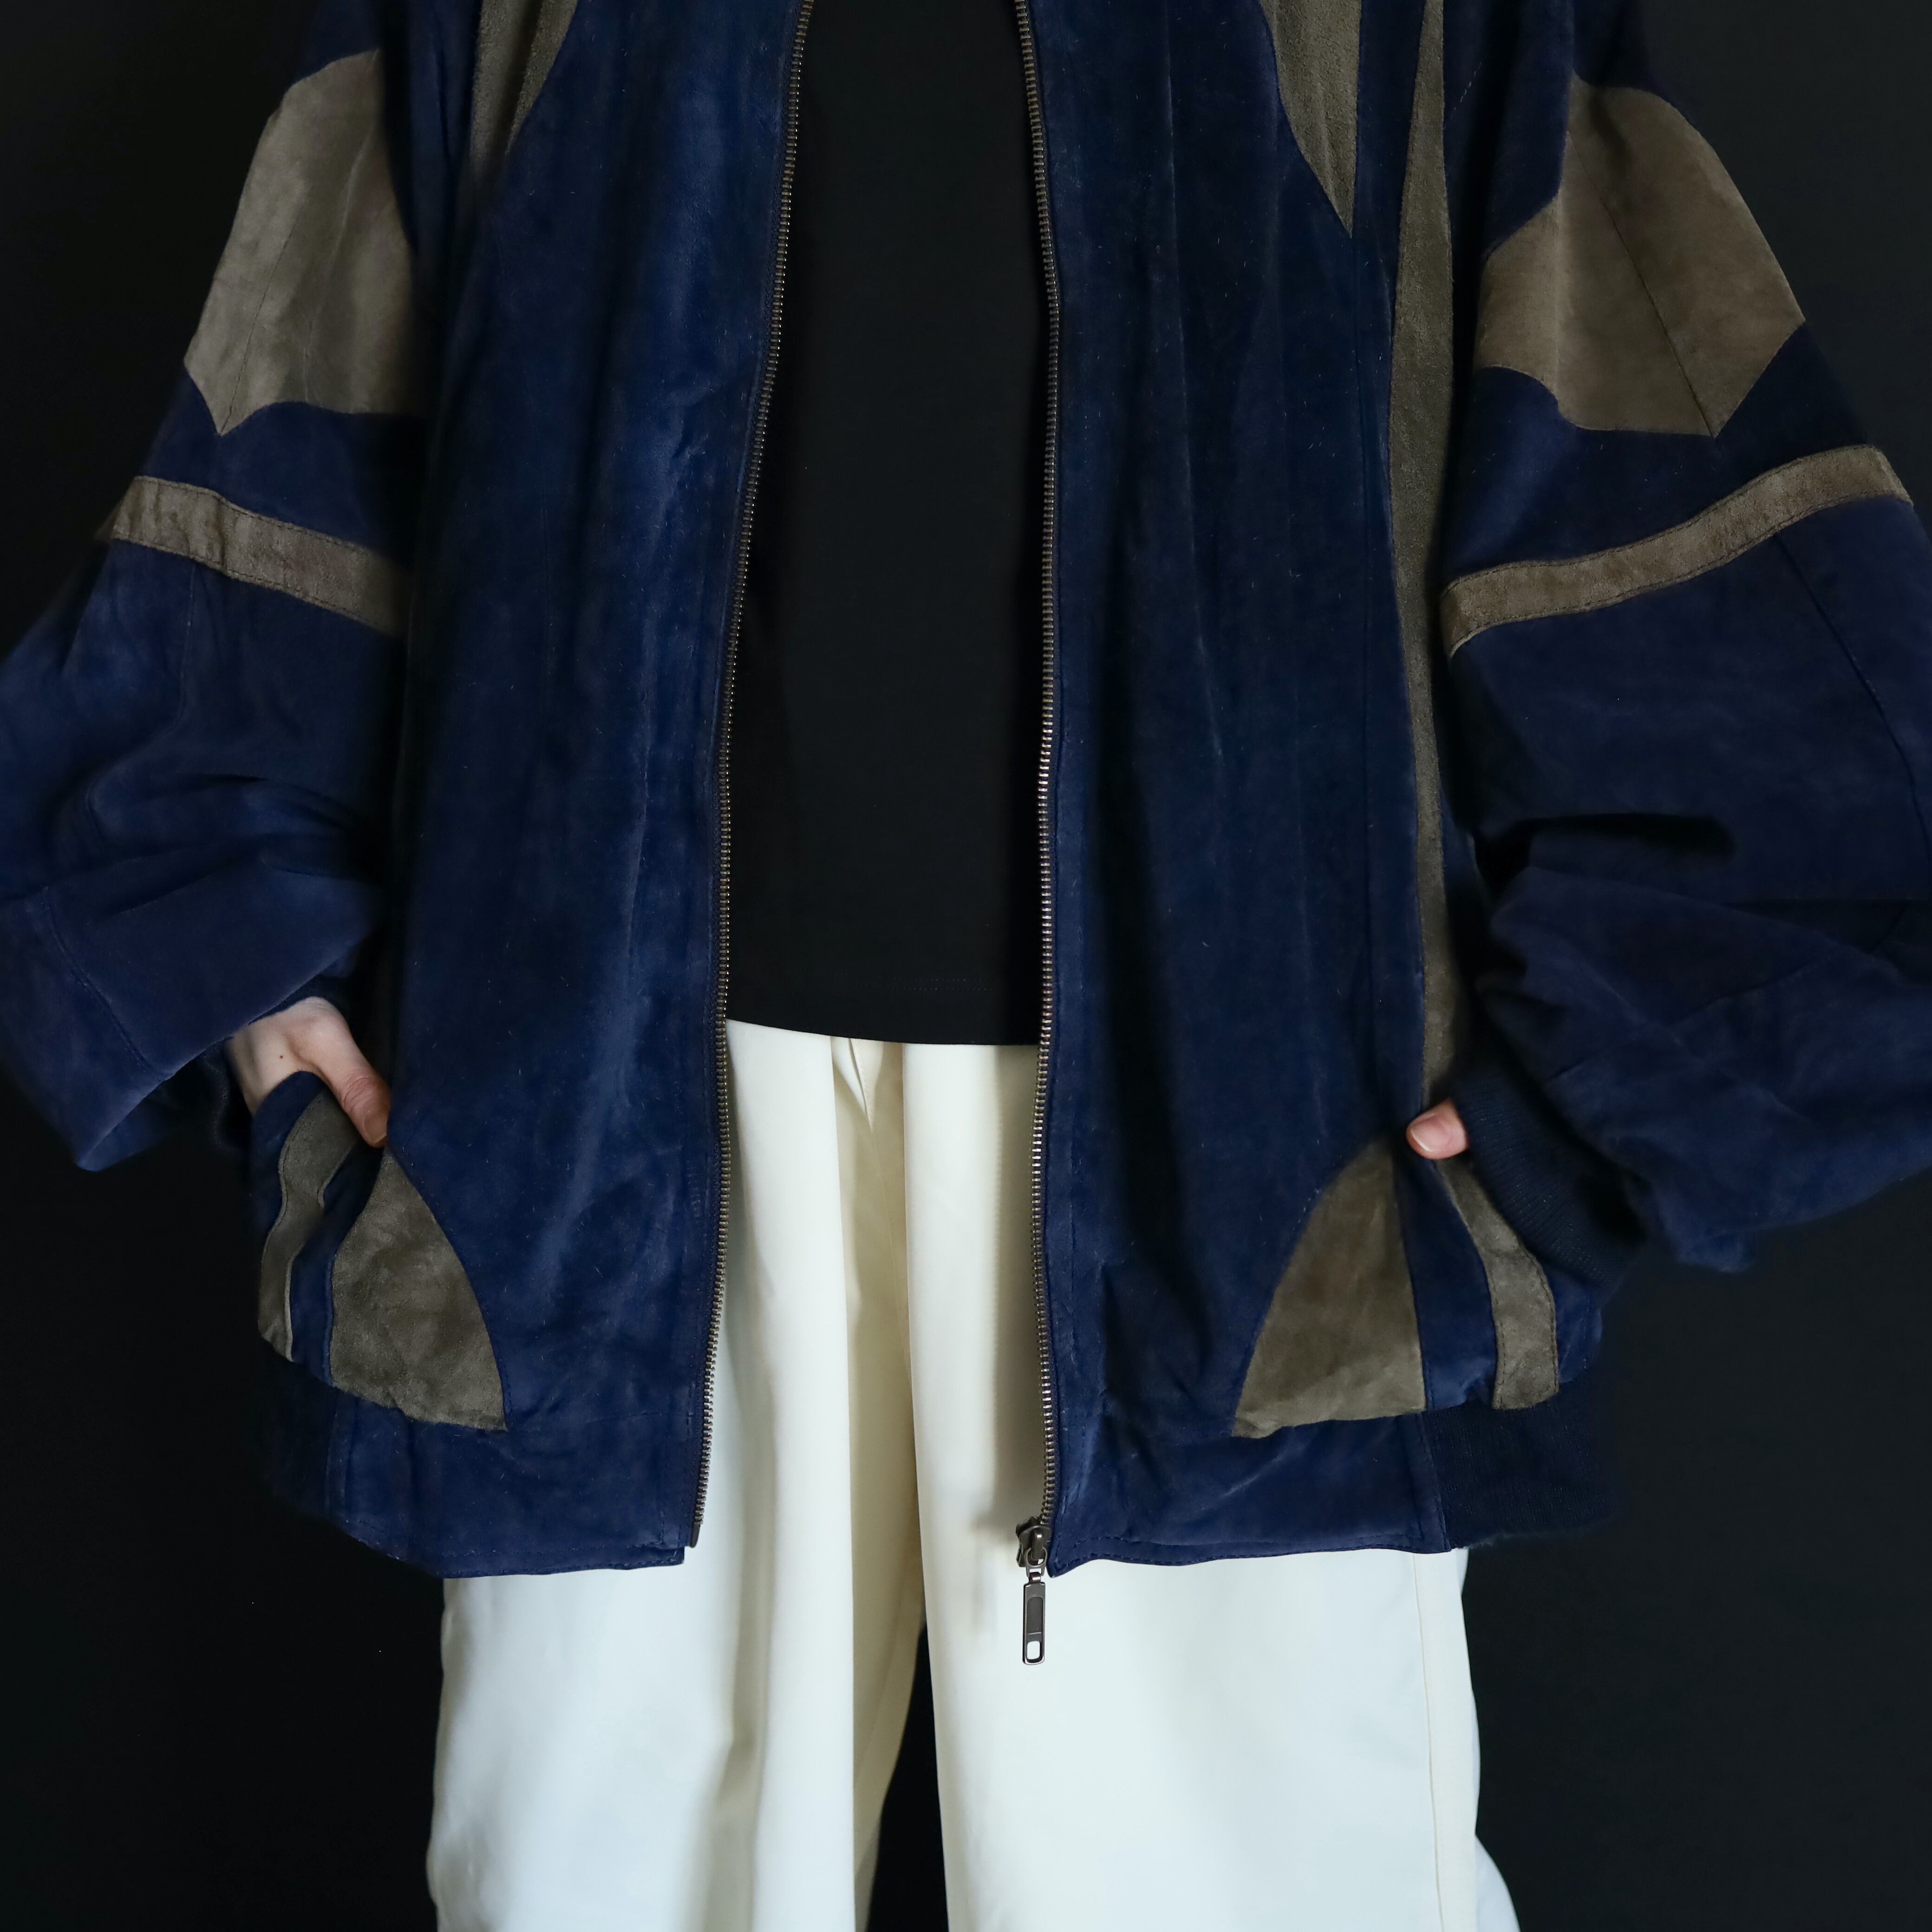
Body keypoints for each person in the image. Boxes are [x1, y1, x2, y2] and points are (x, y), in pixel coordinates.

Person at [5, 0, 1932, 1925]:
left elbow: (1649, 422)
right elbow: (299, 379)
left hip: (1257, 1167)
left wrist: (1593, 1100)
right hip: (593, 1139)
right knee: (590, 1894)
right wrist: (234, 955)